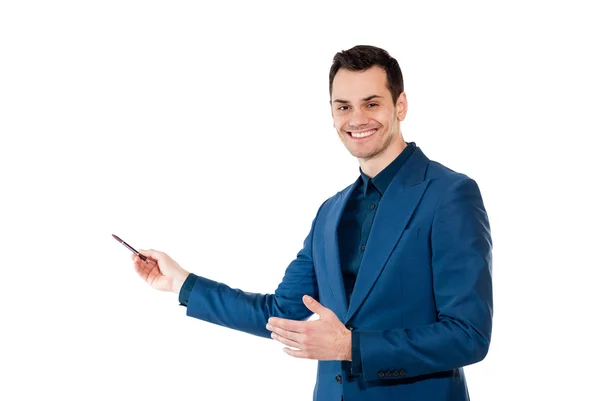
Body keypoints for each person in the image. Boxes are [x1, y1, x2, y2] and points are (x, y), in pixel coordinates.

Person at [131, 45, 493, 401]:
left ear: (400, 106)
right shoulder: (330, 213)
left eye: (371, 103)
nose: (357, 119)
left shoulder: (450, 194)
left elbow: (468, 335)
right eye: (344, 107)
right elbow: (279, 312)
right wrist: (181, 283)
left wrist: (351, 347)